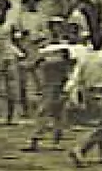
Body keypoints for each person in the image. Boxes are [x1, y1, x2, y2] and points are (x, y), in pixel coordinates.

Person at [66, 24, 102, 167]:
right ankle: (80, 149)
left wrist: (69, 87)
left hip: (88, 91)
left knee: (101, 123)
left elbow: (75, 75)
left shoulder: (85, 56)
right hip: (100, 92)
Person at [27, 20, 75, 153]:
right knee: (43, 110)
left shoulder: (65, 45)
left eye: (59, 27)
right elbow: (35, 63)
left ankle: (56, 141)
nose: (56, 29)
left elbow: (71, 61)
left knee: (59, 112)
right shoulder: (45, 45)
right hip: (48, 82)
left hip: (61, 80)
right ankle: (35, 139)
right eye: (54, 27)